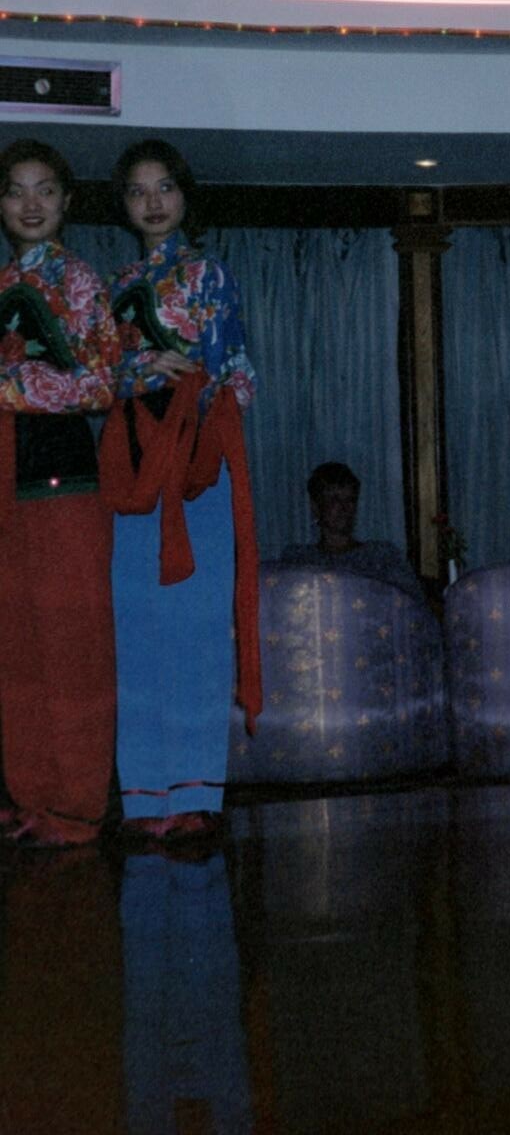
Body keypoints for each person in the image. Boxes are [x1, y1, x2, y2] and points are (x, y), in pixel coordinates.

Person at [100, 139, 260, 843]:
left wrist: (190, 378)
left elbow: (238, 375)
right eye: (138, 191)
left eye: (164, 186)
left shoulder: (208, 275)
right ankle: (143, 796)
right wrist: (139, 373)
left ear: (185, 195)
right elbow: (98, 381)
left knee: (197, 627)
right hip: (135, 464)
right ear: (124, 205)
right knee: (136, 626)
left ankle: (195, 793)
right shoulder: (114, 288)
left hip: (198, 462)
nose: (153, 201)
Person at [0, 138, 120, 846]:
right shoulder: (2, 284)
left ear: (66, 202)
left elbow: (101, 384)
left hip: (63, 479)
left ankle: (76, 805)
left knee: (72, 643)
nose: (31, 203)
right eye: (16, 190)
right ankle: (32, 796)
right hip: (7, 478)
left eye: (45, 189)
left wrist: (11, 387)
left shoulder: (79, 282)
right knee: (16, 644)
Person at [281, 461, 425, 602]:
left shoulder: (382, 557)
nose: (344, 508)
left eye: (350, 500)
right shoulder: (299, 559)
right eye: (334, 500)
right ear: (316, 507)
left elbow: (414, 604)